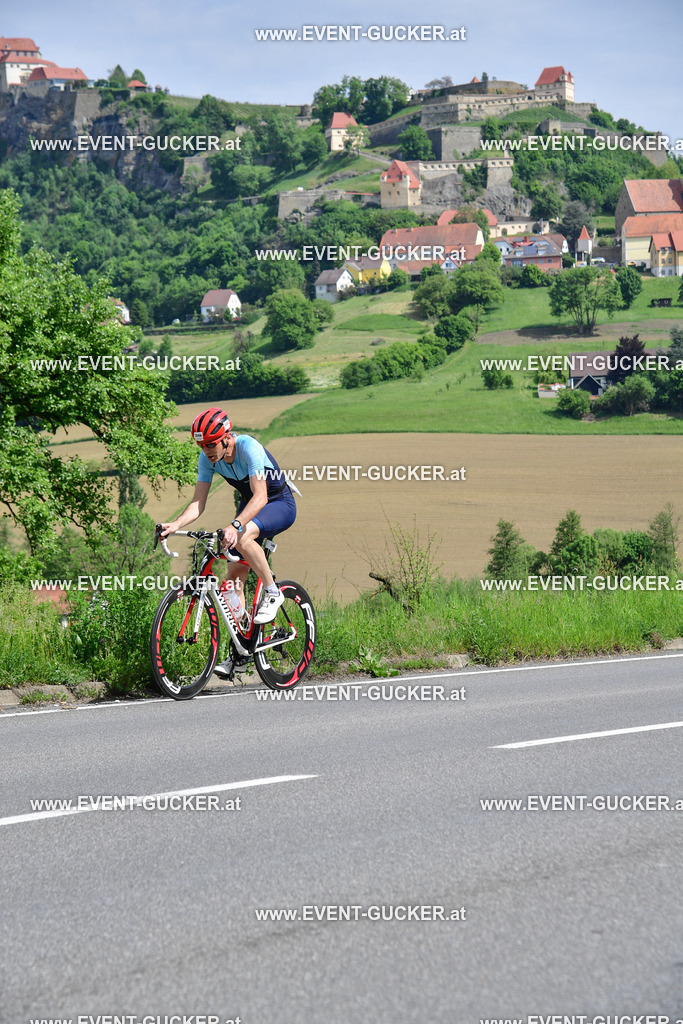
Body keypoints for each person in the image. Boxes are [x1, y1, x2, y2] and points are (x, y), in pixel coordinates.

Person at [160, 407, 297, 676]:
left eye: (211, 444)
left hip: (278, 503)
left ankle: (273, 594)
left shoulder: (248, 447)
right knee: (233, 579)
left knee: (243, 537)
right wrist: (174, 525)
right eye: (202, 445)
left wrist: (236, 525)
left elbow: (260, 497)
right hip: (251, 508)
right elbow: (198, 503)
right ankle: (242, 650)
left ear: (226, 436)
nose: (207, 450)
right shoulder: (207, 458)